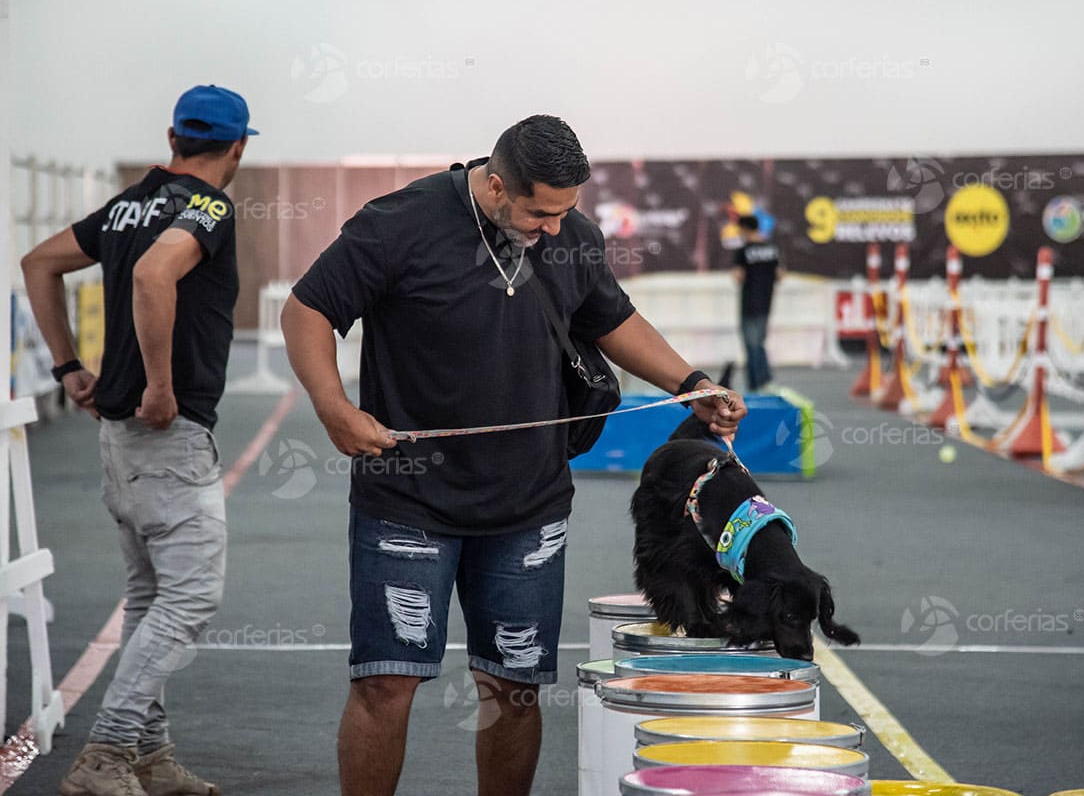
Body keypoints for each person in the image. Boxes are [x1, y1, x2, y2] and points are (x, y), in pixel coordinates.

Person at [280, 114, 747, 796]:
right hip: (407, 502)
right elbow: (307, 309)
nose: (554, 228)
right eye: (540, 213)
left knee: (514, 689)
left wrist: (691, 385)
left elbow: (612, 319)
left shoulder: (571, 235)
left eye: (566, 211)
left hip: (529, 508)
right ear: (496, 186)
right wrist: (333, 407)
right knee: (385, 685)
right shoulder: (398, 223)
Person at [21, 84, 256, 796]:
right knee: (190, 599)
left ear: (172, 137)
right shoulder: (208, 207)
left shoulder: (126, 205)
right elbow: (156, 275)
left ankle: (149, 755)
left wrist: (67, 368)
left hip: (119, 438)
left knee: (149, 597)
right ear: (237, 148)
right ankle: (108, 750)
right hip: (167, 434)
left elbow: (38, 262)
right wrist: (160, 385)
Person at [731, 214, 783, 391]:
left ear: (745, 229)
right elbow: (780, 275)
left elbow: (739, 276)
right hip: (766, 300)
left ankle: (757, 382)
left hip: (749, 302)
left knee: (751, 343)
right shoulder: (772, 248)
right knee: (759, 341)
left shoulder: (744, 251)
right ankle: (763, 379)